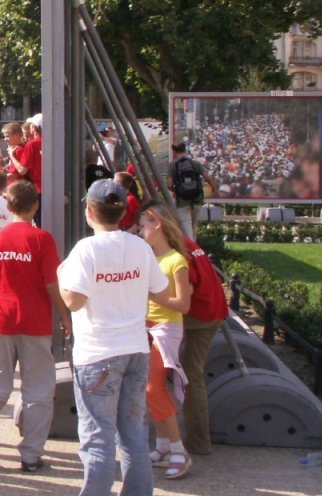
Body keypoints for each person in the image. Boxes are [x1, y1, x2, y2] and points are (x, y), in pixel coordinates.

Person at [57, 179, 171, 496]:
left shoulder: (86, 250)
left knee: (98, 437)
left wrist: (60, 276)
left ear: (90, 210)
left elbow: (74, 301)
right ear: (122, 213)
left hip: (98, 355)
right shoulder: (139, 247)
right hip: (135, 349)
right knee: (134, 434)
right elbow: (161, 290)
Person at [0, 181, 70, 472]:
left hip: (1, 319)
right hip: (35, 322)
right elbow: (52, 283)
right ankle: (31, 454)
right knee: (38, 390)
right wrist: (64, 315)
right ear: (35, 206)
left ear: (9, 207)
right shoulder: (42, 239)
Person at [137, 201, 194, 479]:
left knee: (153, 389)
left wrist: (155, 296)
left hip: (166, 328)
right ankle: (162, 446)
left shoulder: (176, 261)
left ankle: (178, 450)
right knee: (152, 388)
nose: (140, 232)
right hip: (147, 326)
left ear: (156, 225)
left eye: (143, 227)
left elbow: (183, 304)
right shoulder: (150, 257)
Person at [176, 222, 229, 455]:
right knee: (187, 372)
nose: (139, 232)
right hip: (210, 311)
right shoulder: (185, 243)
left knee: (191, 375)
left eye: (142, 227)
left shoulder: (178, 252)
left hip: (202, 316)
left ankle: (199, 441)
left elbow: (182, 298)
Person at [166, 143, 215, 239]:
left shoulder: (173, 165)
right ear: (185, 150)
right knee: (193, 228)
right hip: (196, 199)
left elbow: (169, 185)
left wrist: (178, 190)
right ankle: (195, 251)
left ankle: (190, 251)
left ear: (175, 152)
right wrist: (213, 188)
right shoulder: (194, 163)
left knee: (186, 230)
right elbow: (208, 178)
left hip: (182, 202)